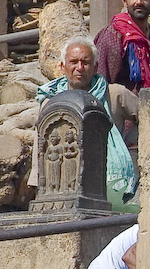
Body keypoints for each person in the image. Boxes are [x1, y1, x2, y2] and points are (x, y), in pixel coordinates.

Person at [31, 37, 139, 207]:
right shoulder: (50, 101)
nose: (79, 68)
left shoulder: (114, 94)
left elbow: (149, 117)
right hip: (62, 183)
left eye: (85, 62)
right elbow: (41, 145)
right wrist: (38, 187)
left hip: (108, 185)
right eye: (73, 62)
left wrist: (130, 140)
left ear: (95, 67)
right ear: (62, 66)